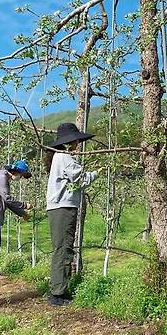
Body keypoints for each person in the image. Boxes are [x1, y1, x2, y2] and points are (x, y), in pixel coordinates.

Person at [45, 123, 98, 306]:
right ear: (70, 141)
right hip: (63, 207)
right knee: (64, 249)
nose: (78, 143)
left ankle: (58, 289)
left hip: (56, 208)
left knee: (61, 248)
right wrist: (96, 173)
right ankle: (58, 293)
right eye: (76, 140)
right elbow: (81, 179)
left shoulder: (58, 157)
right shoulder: (65, 157)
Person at [0, 160, 34, 278]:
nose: (20, 178)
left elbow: (8, 203)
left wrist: (22, 213)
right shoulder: (2, 178)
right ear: (16, 172)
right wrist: (25, 205)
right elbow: (8, 199)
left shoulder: (2, 178)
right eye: (21, 175)